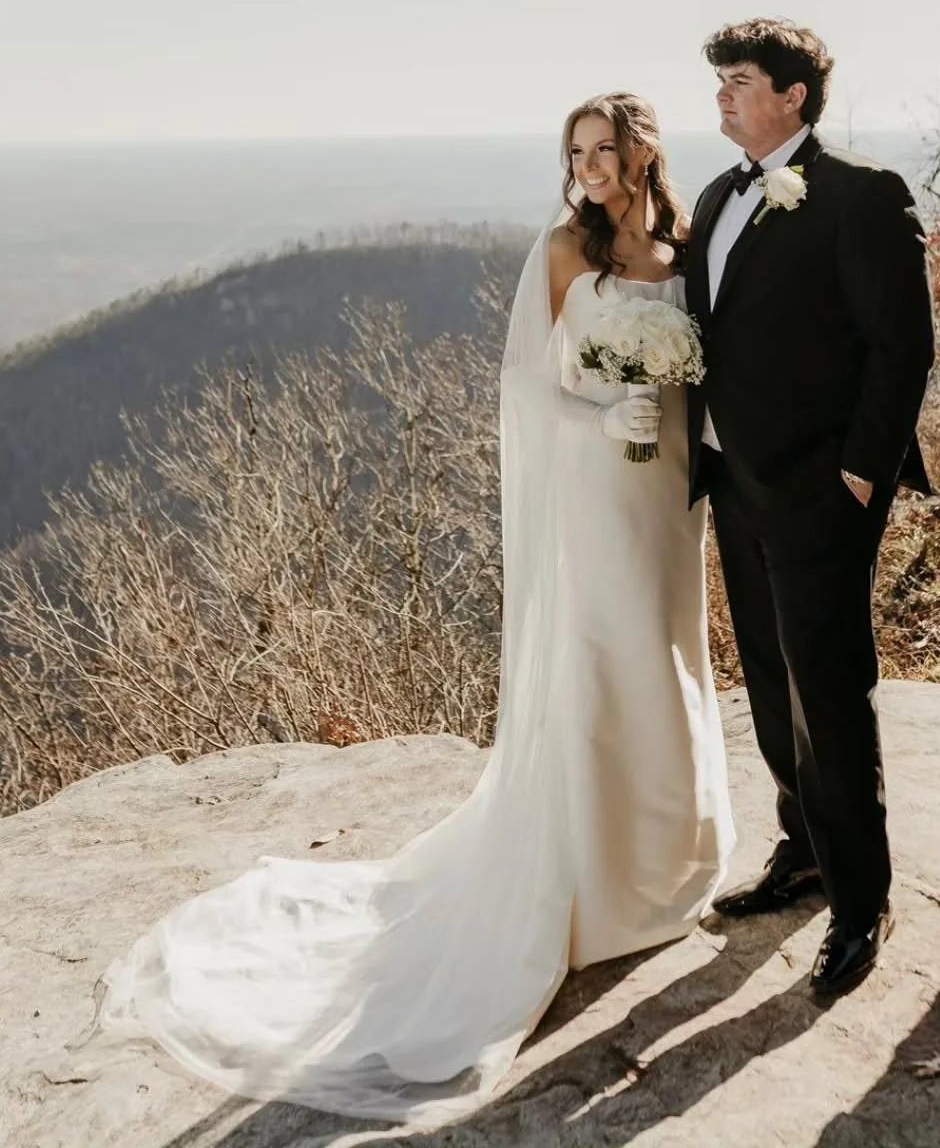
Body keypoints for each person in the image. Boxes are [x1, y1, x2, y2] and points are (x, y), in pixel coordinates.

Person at [95, 92, 733, 1124]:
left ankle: (667, 860)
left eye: (604, 148)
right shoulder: (561, 250)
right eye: (576, 150)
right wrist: (598, 411)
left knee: (667, 650)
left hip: (668, 491)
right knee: (603, 655)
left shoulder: (684, 246)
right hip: (596, 486)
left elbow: (716, 358)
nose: (588, 166)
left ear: (640, 153)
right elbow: (524, 385)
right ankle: (597, 880)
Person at [684, 18, 934, 1001]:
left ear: (792, 96)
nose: (722, 95)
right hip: (735, 482)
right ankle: (804, 852)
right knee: (769, 680)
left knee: (828, 690)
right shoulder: (717, 195)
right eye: (718, 80)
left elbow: (901, 346)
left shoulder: (862, 194)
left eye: (739, 80)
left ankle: (862, 900)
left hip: (823, 491)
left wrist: (862, 474)